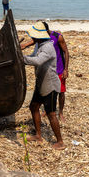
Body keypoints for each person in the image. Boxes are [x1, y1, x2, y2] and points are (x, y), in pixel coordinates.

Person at [23, 22, 65, 150]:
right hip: (41, 82)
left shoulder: (48, 47)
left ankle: (60, 142)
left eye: (34, 36)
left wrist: (22, 58)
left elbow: (38, 61)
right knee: (33, 106)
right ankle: (38, 135)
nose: (32, 38)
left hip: (50, 85)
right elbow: (33, 57)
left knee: (51, 113)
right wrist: (23, 58)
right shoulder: (39, 45)